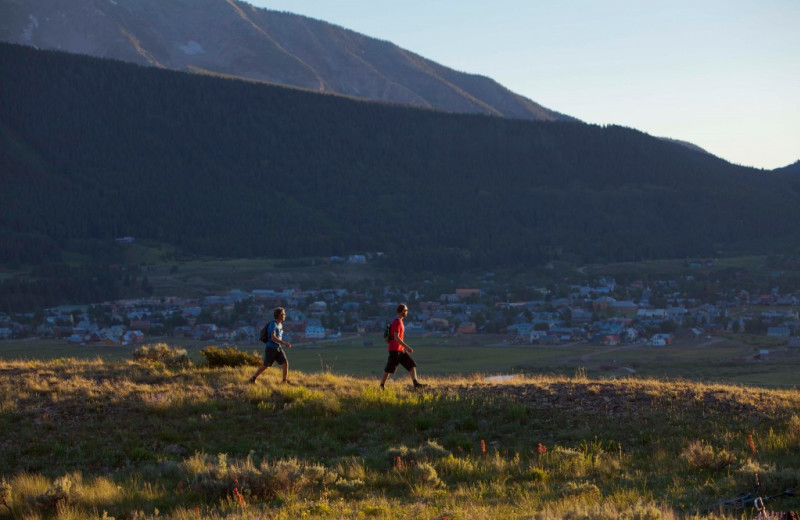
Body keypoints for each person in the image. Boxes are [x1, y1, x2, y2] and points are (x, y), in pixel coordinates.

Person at [380, 304, 427, 390]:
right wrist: (407, 347)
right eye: (406, 310)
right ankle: (382, 386)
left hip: (400, 350)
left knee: (411, 365)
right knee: (389, 369)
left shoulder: (399, 321)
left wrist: (403, 348)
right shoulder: (397, 322)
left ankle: (416, 384)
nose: (407, 312)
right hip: (394, 350)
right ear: (402, 311)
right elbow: (396, 337)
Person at [248, 307, 293, 384]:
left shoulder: (280, 325)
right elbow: (273, 337)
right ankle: (253, 378)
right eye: (283, 314)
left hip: (278, 348)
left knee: (285, 363)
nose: (285, 315)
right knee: (265, 365)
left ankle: (284, 380)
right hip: (271, 348)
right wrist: (284, 343)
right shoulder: (273, 324)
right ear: (279, 315)